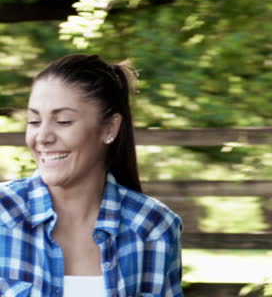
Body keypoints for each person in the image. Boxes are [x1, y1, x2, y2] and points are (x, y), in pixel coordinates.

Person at [0, 54, 183, 296]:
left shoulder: (154, 227)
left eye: (63, 121)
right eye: (34, 121)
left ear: (109, 128)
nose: (42, 137)